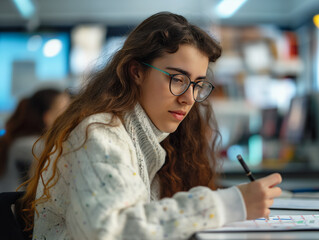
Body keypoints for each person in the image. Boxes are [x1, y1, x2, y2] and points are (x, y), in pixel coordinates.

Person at [18, 12, 282, 240]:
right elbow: (109, 232)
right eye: (178, 79)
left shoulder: (153, 140)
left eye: (198, 84)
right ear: (136, 72)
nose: (189, 98)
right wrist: (228, 205)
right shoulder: (100, 135)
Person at [0, 88, 70, 192]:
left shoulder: (24, 142)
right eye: (66, 111)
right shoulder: (30, 145)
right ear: (48, 117)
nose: (70, 117)